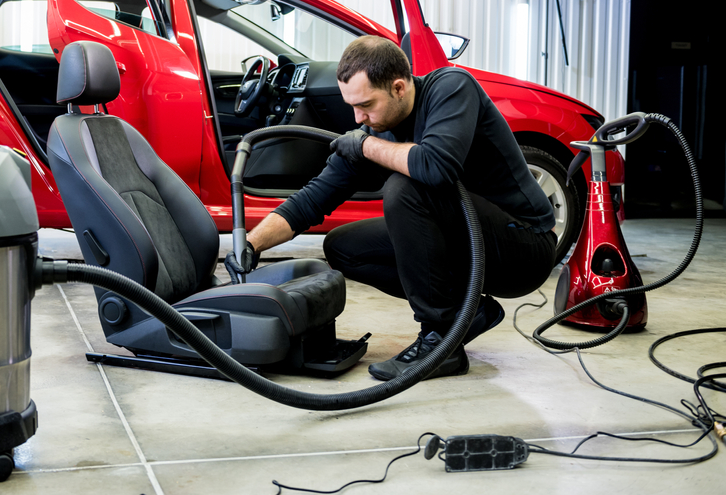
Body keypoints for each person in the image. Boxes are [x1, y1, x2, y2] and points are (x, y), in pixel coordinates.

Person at [225, 35, 557, 381]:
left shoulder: (451, 88)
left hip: (523, 248)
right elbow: (313, 199)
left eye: (366, 105)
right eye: (352, 107)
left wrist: (367, 146)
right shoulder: (375, 128)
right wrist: (251, 243)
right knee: (344, 248)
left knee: (406, 187)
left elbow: (436, 167)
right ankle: (464, 312)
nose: (358, 118)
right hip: (469, 246)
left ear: (399, 87)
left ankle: (440, 340)